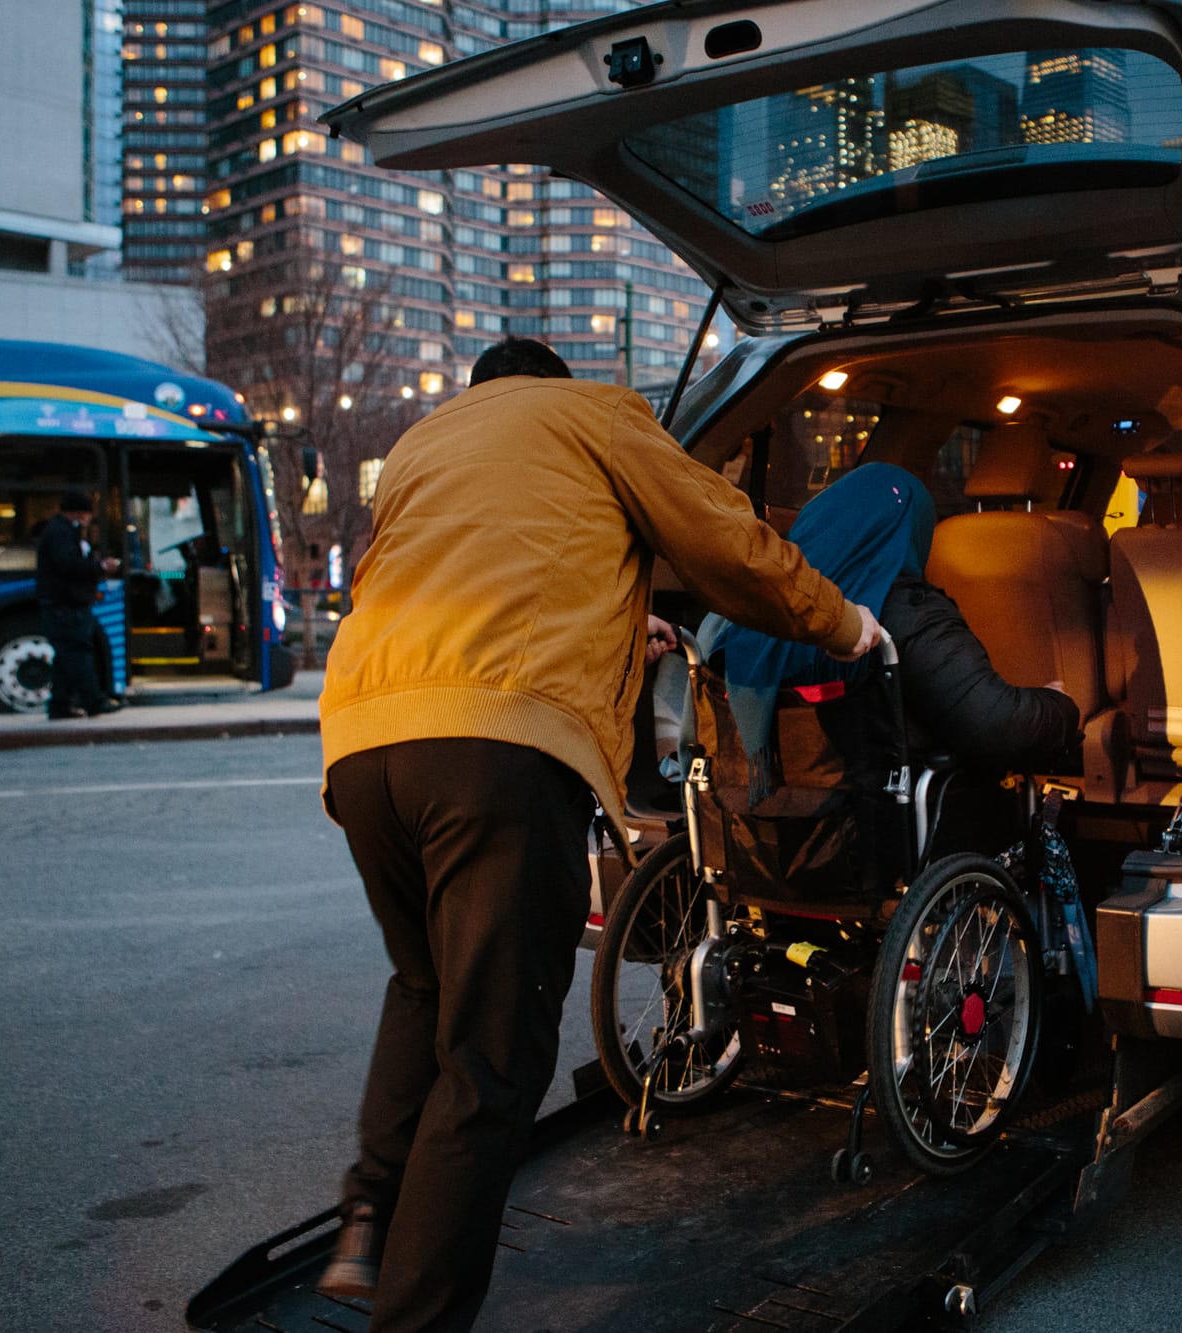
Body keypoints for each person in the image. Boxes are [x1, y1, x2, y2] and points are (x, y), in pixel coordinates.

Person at [314, 337, 882, 1332]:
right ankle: (416, 1319)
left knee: (424, 985)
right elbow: (726, 542)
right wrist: (843, 626)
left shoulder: (423, 445)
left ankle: (369, 1213)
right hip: (495, 751)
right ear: (549, 384)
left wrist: (631, 629)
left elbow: (482, 580)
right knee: (492, 1063)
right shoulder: (594, 414)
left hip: (363, 746)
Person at [703, 462, 1077, 789]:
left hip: (766, 831)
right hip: (881, 829)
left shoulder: (751, 619)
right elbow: (996, 727)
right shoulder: (904, 611)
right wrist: (1058, 706)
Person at [34, 490, 121, 719]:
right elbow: (69, 565)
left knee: (65, 656)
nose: (89, 518)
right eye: (87, 513)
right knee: (79, 651)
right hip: (67, 603)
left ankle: (59, 705)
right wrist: (100, 568)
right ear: (78, 513)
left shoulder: (58, 531)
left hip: (61, 602)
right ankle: (94, 701)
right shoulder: (62, 533)